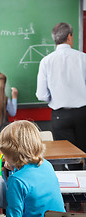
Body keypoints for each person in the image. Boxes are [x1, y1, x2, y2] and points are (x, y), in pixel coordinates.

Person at [0, 120, 65, 217]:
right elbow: (29, 178)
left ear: (12, 153)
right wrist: (15, 165)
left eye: (5, 154)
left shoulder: (16, 180)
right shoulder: (46, 164)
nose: (4, 157)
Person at [36, 22, 86, 153]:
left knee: (66, 155)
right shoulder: (83, 58)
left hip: (60, 115)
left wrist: (56, 97)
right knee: (84, 153)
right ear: (69, 36)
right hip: (83, 114)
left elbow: (41, 95)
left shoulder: (46, 61)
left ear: (55, 39)